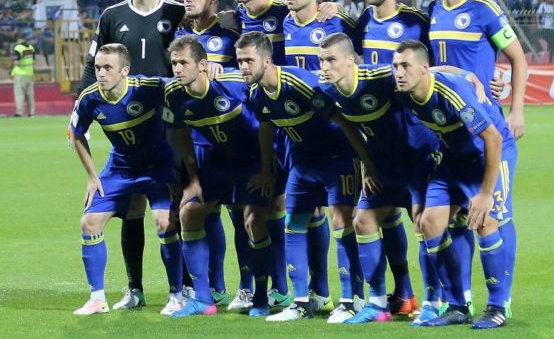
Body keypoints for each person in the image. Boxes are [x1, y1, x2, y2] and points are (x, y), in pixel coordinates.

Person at [236, 31, 374, 323]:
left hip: (337, 158)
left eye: (249, 60)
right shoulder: (257, 94)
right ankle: (300, 302)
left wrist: (368, 165)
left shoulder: (299, 84)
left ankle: (352, 299)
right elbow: (265, 128)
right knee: (294, 224)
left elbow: (344, 122)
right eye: (240, 61)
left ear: (267, 60)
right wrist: (266, 169)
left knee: (341, 221)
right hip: (303, 162)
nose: (243, 67)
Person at [76, 0, 186, 311]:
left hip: (171, 128)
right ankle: (135, 288)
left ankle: (187, 288)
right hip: (127, 125)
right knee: (132, 207)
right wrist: (81, 108)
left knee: (175, 210)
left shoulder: (177, 12)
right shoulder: (112, 15)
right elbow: (93, 66)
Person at [427, 0, 528, 320]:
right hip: (450, 133)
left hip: (486, 127)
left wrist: (517, 110)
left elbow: (518, 58)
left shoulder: (484, 10)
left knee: (493, 215)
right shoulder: (433, 11)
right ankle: (461, 301)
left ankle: (501, 302)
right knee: (454, 218)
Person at [316, 33, 442, 324]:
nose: (324, 66)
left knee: (423, 224)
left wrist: (469, 76)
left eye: (331, 59)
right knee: (363, 221)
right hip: (383, 165)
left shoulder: (380, 76)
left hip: (418, 159)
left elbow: (427, 72)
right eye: (321, 60)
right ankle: (377, 304)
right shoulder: (326, 90)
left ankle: (434, 301)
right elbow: (347, 127)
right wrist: (369, 165)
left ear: (350, 60)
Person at [392, 40, 517, 329]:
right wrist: (466, 72)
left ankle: (498, 306)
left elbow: (493, 138)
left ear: (423, 69)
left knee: (485, 221)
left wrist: (485, 194)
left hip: (489, 154)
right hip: (453, 158)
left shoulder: (451, 92)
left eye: (405, 66)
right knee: (429, 223)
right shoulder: (405, 85)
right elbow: (440, 68)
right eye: (396, 66)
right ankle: (458, 306)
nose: (399, 72)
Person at [163, 36, 273, 318]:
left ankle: (262, 295)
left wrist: (267, 168)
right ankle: (203, 298)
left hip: (251, 162)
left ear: (202, 64)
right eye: (174, 63)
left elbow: (267, 118)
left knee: (252, 222)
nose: (177, 69)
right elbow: (181, 134)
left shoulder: (234, 83)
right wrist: (193, 179)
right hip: (217, 163)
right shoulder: (173, 94)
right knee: (189, 214)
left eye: (183, 62)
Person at [69, 43, 180, 316]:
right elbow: (76, 133)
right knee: (89, 223)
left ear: (125, 71)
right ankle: (97, 299)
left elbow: (183, 87)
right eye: (98, 67)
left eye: (108, 68)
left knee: (164, 222)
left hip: (157, 166)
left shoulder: (149, 87)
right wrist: (92, 176)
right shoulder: (89, 98)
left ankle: (177, 294)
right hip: (120, 167)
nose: (101, 73)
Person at [11, 29, 36, 117]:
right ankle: (31, 113)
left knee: (19, 94)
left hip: (20, 73)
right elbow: (34, 60)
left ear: (18, 38)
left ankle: (19, 112)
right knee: (30, 95)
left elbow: (16, 62)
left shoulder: (18, 48)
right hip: (30, 73)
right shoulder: (31, 48)